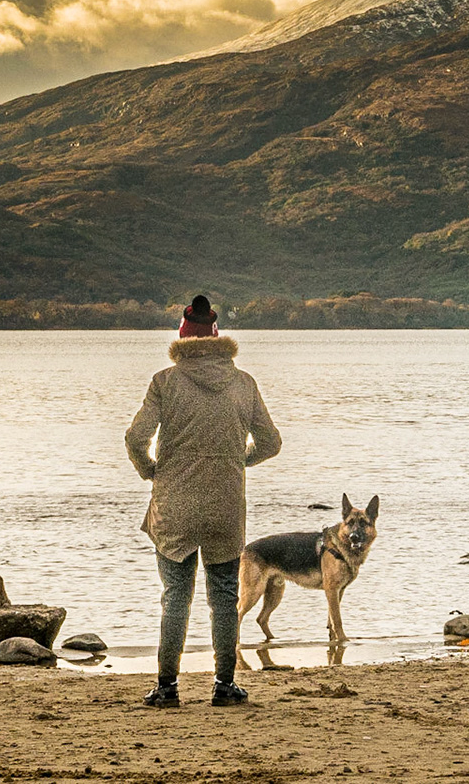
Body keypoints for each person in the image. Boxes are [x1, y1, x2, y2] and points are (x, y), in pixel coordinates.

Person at [125, 295, 282, 707]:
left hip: (174, 505)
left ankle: (166, 687)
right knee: (224, 597)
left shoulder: (165, 381)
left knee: (176, 596)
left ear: (182, 335)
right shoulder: (243, 382)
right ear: (216, 336)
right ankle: (224, 684)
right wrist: (236, 461)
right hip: (225, 506)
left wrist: (151, 470)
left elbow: (134, 438)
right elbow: (271, 442)